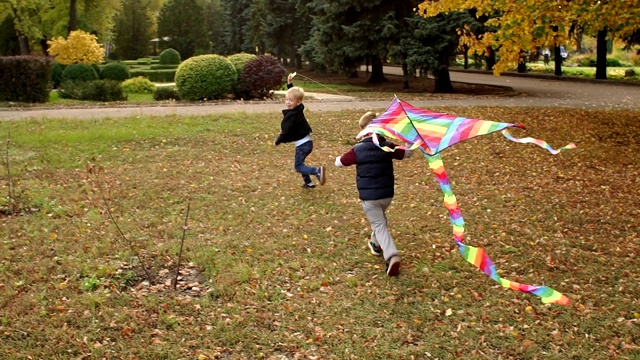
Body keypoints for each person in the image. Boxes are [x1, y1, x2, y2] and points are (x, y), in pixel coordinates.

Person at [335, 111, 412, 276]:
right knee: (380, 220)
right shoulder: (388, 146)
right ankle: (375, 245)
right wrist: (411, 141)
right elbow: (406, 153)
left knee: (379, 224)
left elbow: (340, 162)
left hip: (370, 198)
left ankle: (391, 256)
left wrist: (336, 159)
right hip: (387, 196)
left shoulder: (358, 149)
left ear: (363, 130)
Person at [274, 73, 326, 188]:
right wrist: (289, 83)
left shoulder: (292, 116)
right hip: (306, 143)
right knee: (300, 163)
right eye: (287, 100)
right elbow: (295, 95)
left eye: (291, 101)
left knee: (298, 166)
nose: (288, 102)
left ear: (298, 102)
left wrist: (278, 140)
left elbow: (285, 131)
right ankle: (308, 182)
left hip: (303, 145)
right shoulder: (298, 108)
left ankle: (317, 171)